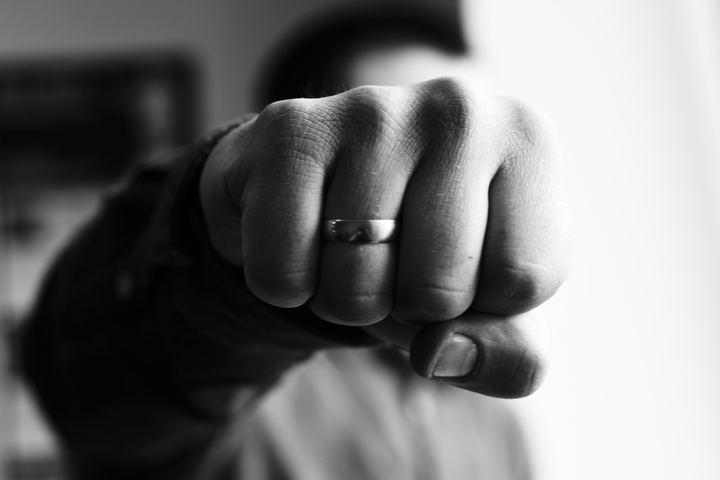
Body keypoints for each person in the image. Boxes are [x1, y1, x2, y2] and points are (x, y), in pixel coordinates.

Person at [20, 6, 572, 480]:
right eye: (411, 141)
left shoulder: (494, 426)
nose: (457, 179)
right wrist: (212, 226)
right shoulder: (235, 388)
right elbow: (107, 388)